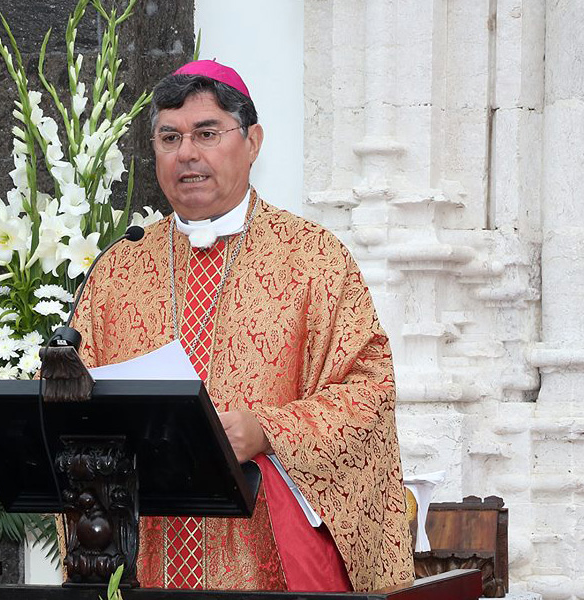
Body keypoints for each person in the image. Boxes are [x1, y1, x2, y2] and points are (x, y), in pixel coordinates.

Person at [71, 59, 414, 592]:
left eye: (207, 133)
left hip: (262, 562)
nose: (187, 153)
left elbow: (368, 392)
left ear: (252, 141)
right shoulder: (119, 267)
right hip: (148, 557)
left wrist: (267, 431)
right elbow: (78, 406)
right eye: (169, 137)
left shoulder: (313, 258)